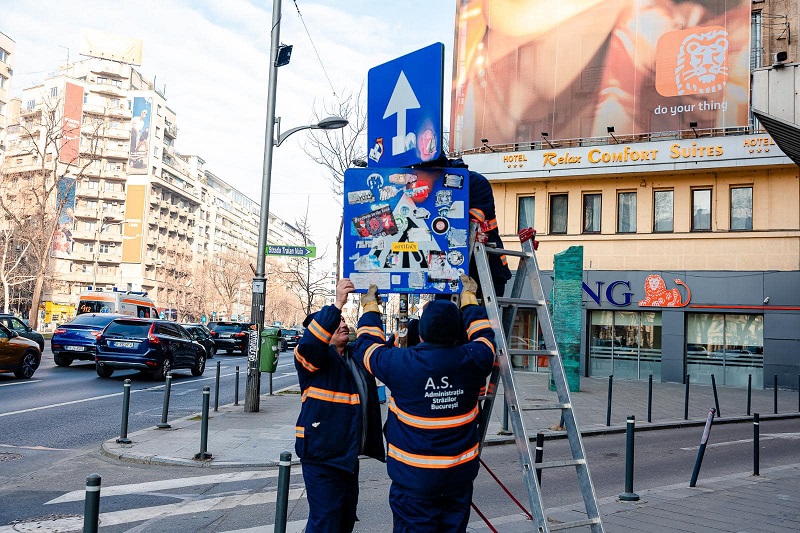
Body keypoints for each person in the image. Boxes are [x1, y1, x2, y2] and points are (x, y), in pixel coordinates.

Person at [355, 275, 496, 532]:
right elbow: (485, 336)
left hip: (414, 483)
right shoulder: (475, 358)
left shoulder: (401, 364)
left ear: (421, 333)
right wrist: (469, 300)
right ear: (458, 331)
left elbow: (365, 346)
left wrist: (370, 308)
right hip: (458, 480)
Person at [293, 278, 385, 532]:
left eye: (343, 320)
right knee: (325, 522)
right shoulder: (311, 359)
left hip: (347, 455)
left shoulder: (355, 356)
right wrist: (337, 304)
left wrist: (371, 309)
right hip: (322, 455)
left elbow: (373, 342)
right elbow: (311, 343)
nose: (343, 324)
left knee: (344, 520)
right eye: (336, 323)